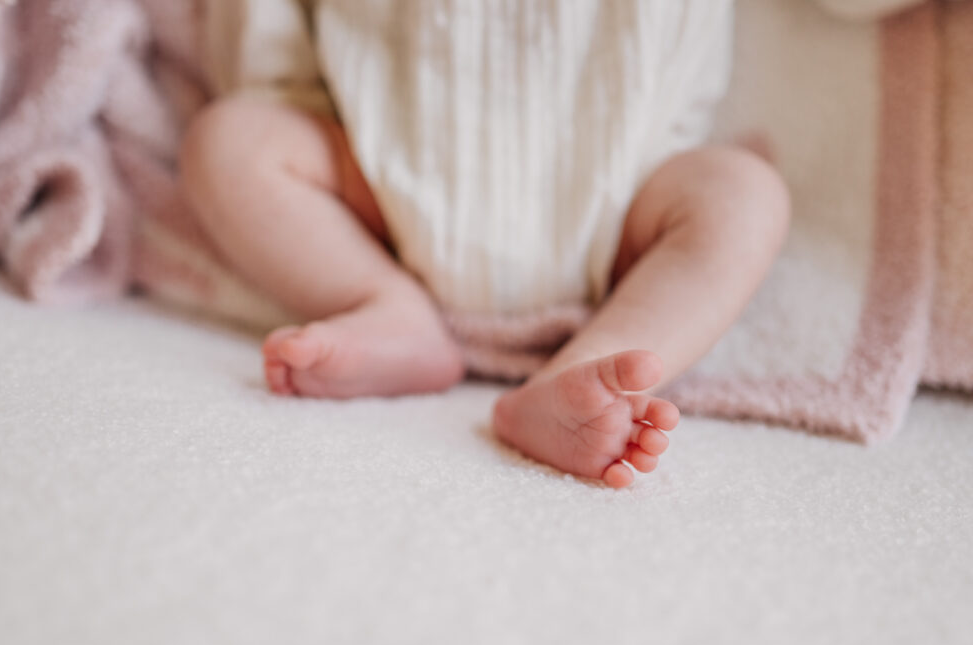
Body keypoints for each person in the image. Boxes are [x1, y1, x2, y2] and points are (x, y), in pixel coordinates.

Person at [181, 0, 789, 488]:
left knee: (745, 196)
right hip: (383, 175)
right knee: (230, 142)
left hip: (623, 194)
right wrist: (275, 82)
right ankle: (384, 305)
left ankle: (587, 368)